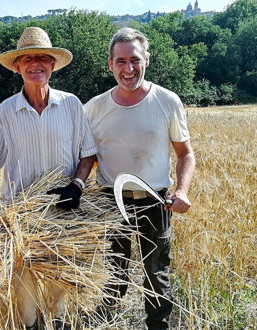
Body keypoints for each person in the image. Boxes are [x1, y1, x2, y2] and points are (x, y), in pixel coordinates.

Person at [0, 26, 97, 330]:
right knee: (25, 287)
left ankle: (58, 324)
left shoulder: (71, 105)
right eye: (27, 58)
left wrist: (77, 186)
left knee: (59, 284)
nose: (35, 64)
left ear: (53, 65)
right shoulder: (6, 111)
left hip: (62, 212)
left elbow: (87, 154)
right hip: (19, 215)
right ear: (17, 66)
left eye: (42, 57)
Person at [84, 27, 196, 329]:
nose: (128, 68)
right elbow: (86, 157)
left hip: (155, 201)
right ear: (110, 65)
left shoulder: (167, 101)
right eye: (120, 61)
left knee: (156, 274)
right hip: (109, 203)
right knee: (113, 274)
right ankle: (104, 323)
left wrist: (182, 190)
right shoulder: (93, 108)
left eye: (134, 59)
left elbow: (185, 154)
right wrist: (76, 186)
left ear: (146, 59)